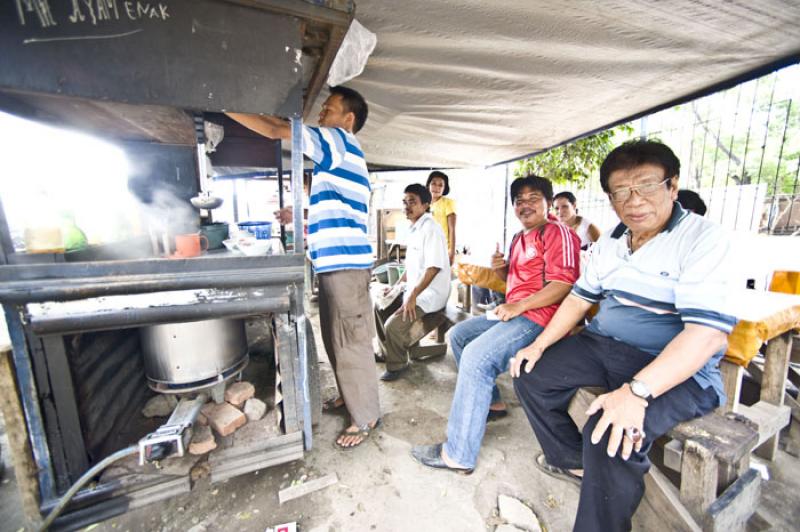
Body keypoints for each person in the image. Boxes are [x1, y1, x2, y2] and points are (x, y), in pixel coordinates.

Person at [510, 140, 737, 532]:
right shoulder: (612, 240)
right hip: (603, 345)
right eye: (621, 192)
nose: (634, 201)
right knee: (529, 373)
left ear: (672, 186)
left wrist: (636, 393)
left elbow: (707, 337)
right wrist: (539, 343)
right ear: (610, 199)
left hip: (674, 365)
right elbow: (580, 299)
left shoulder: (704, 239)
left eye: (647, 186)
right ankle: (574, 463)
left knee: (611, 434)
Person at [227, 86, 380, 449]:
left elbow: (274, 128)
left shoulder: (338, 139)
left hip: (346, 265)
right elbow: (338, 207)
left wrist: (219, 102)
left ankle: (367, 416)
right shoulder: (338, 154)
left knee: (351, 343)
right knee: (334, 337)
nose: (321, 116)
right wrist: (301, 214)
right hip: (333, 264)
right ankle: (350, 394)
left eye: (328, 110)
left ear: (348, 119)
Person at [411, 175, 580, 474]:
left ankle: (458, 454)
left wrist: (519, 305)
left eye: (533, 198)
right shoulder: (518, 238)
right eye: (519, 200)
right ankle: (492, 404)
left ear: (548, 202)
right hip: (518, 314)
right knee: (461, 335)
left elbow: (563, 284)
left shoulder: (557, 233)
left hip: (542, 319)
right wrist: (502, 272)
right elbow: (512, 286)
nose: (525, 205)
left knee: (477, 358)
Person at [378, 183, 451, 382]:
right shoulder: (414, 229)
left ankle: (398, 364)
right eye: (404, 202)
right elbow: (412, 268)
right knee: (379, 304)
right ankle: (389, 351)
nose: (406, 206)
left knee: (393, 325)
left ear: (425, 205)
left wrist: (412, 295)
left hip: (430, 294)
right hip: (415, 289)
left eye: (412, 202)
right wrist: (396, 287)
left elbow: (433, 268)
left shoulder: (431, 229)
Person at [427, 171, 457, 264]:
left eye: (440, 185)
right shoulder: (424, 204)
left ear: (445, 188)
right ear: (428, 185)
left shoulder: (448, 203)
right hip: (428, 247)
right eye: (433, 184)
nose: (436, 187)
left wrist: (451, 253)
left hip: (443, 249)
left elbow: (452, 229)